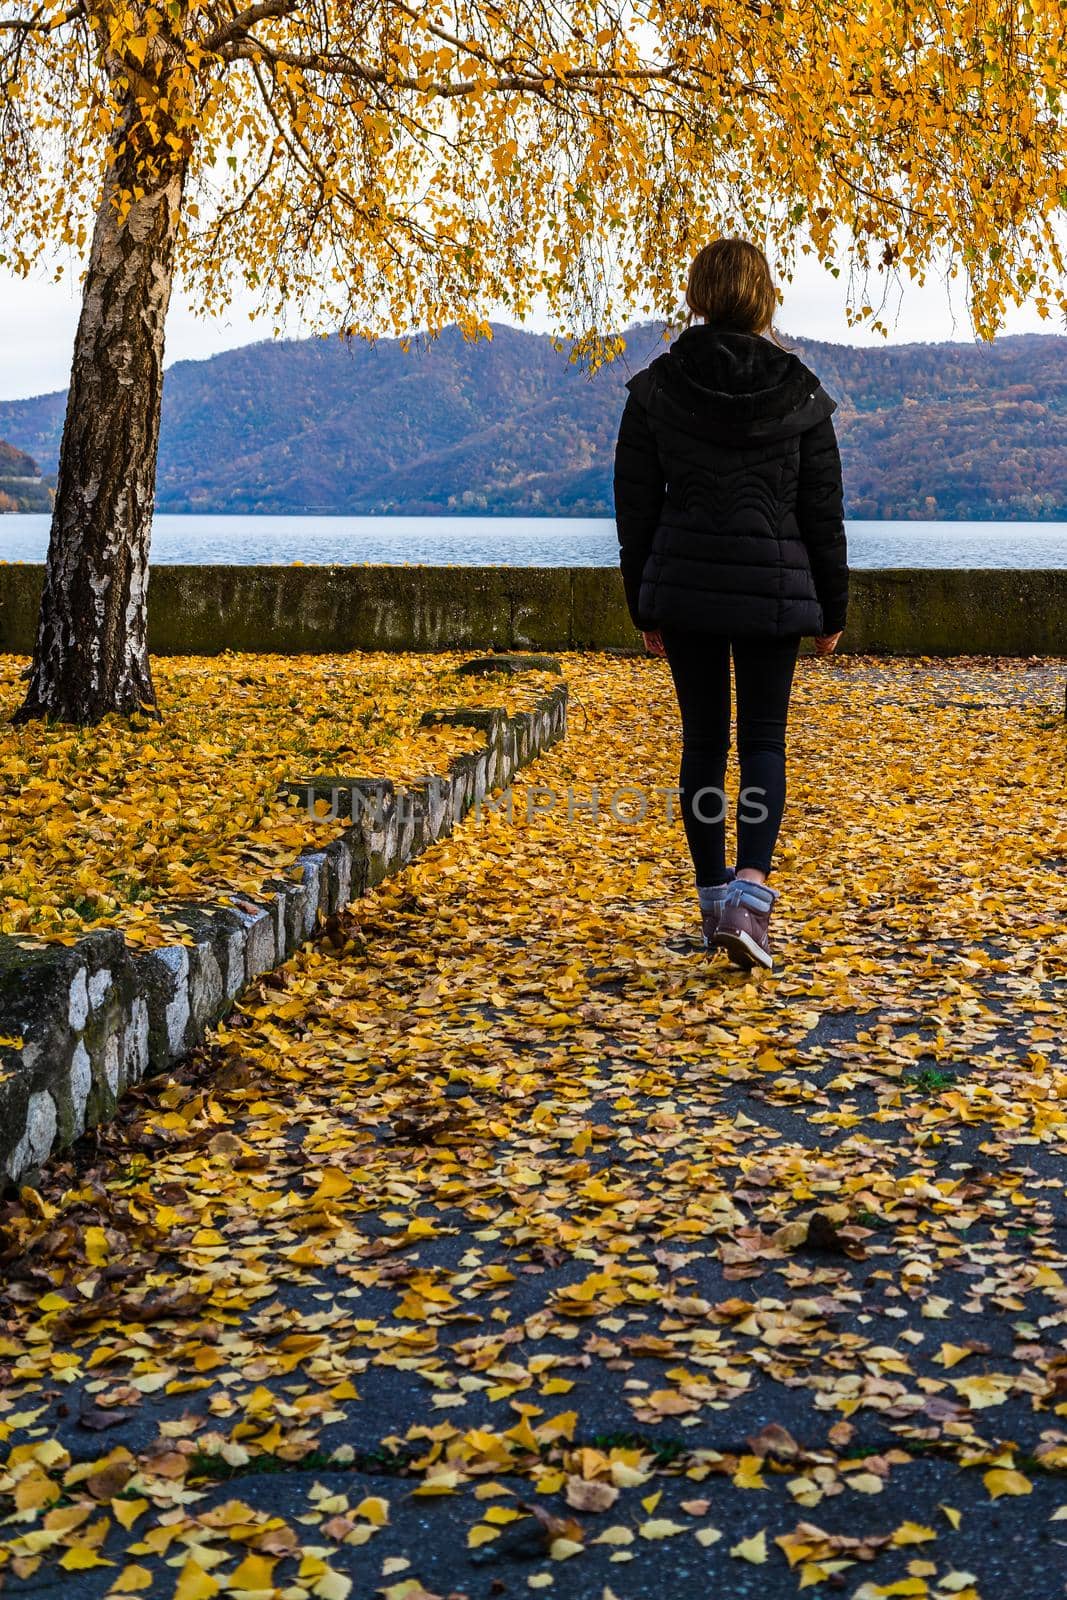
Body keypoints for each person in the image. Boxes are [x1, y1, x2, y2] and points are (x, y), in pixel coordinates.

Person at [613, 238, 848, 971]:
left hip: (684, 591)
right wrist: (831, 610)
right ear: (764, 296)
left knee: (703, 745)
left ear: (697, 295)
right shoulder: (800, 392)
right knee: (764, 744)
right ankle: (751, 897)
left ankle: (714, 900)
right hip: (774, 595)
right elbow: (822, 512)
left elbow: (634, 508)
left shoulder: (656, 388)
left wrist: (641, 606)